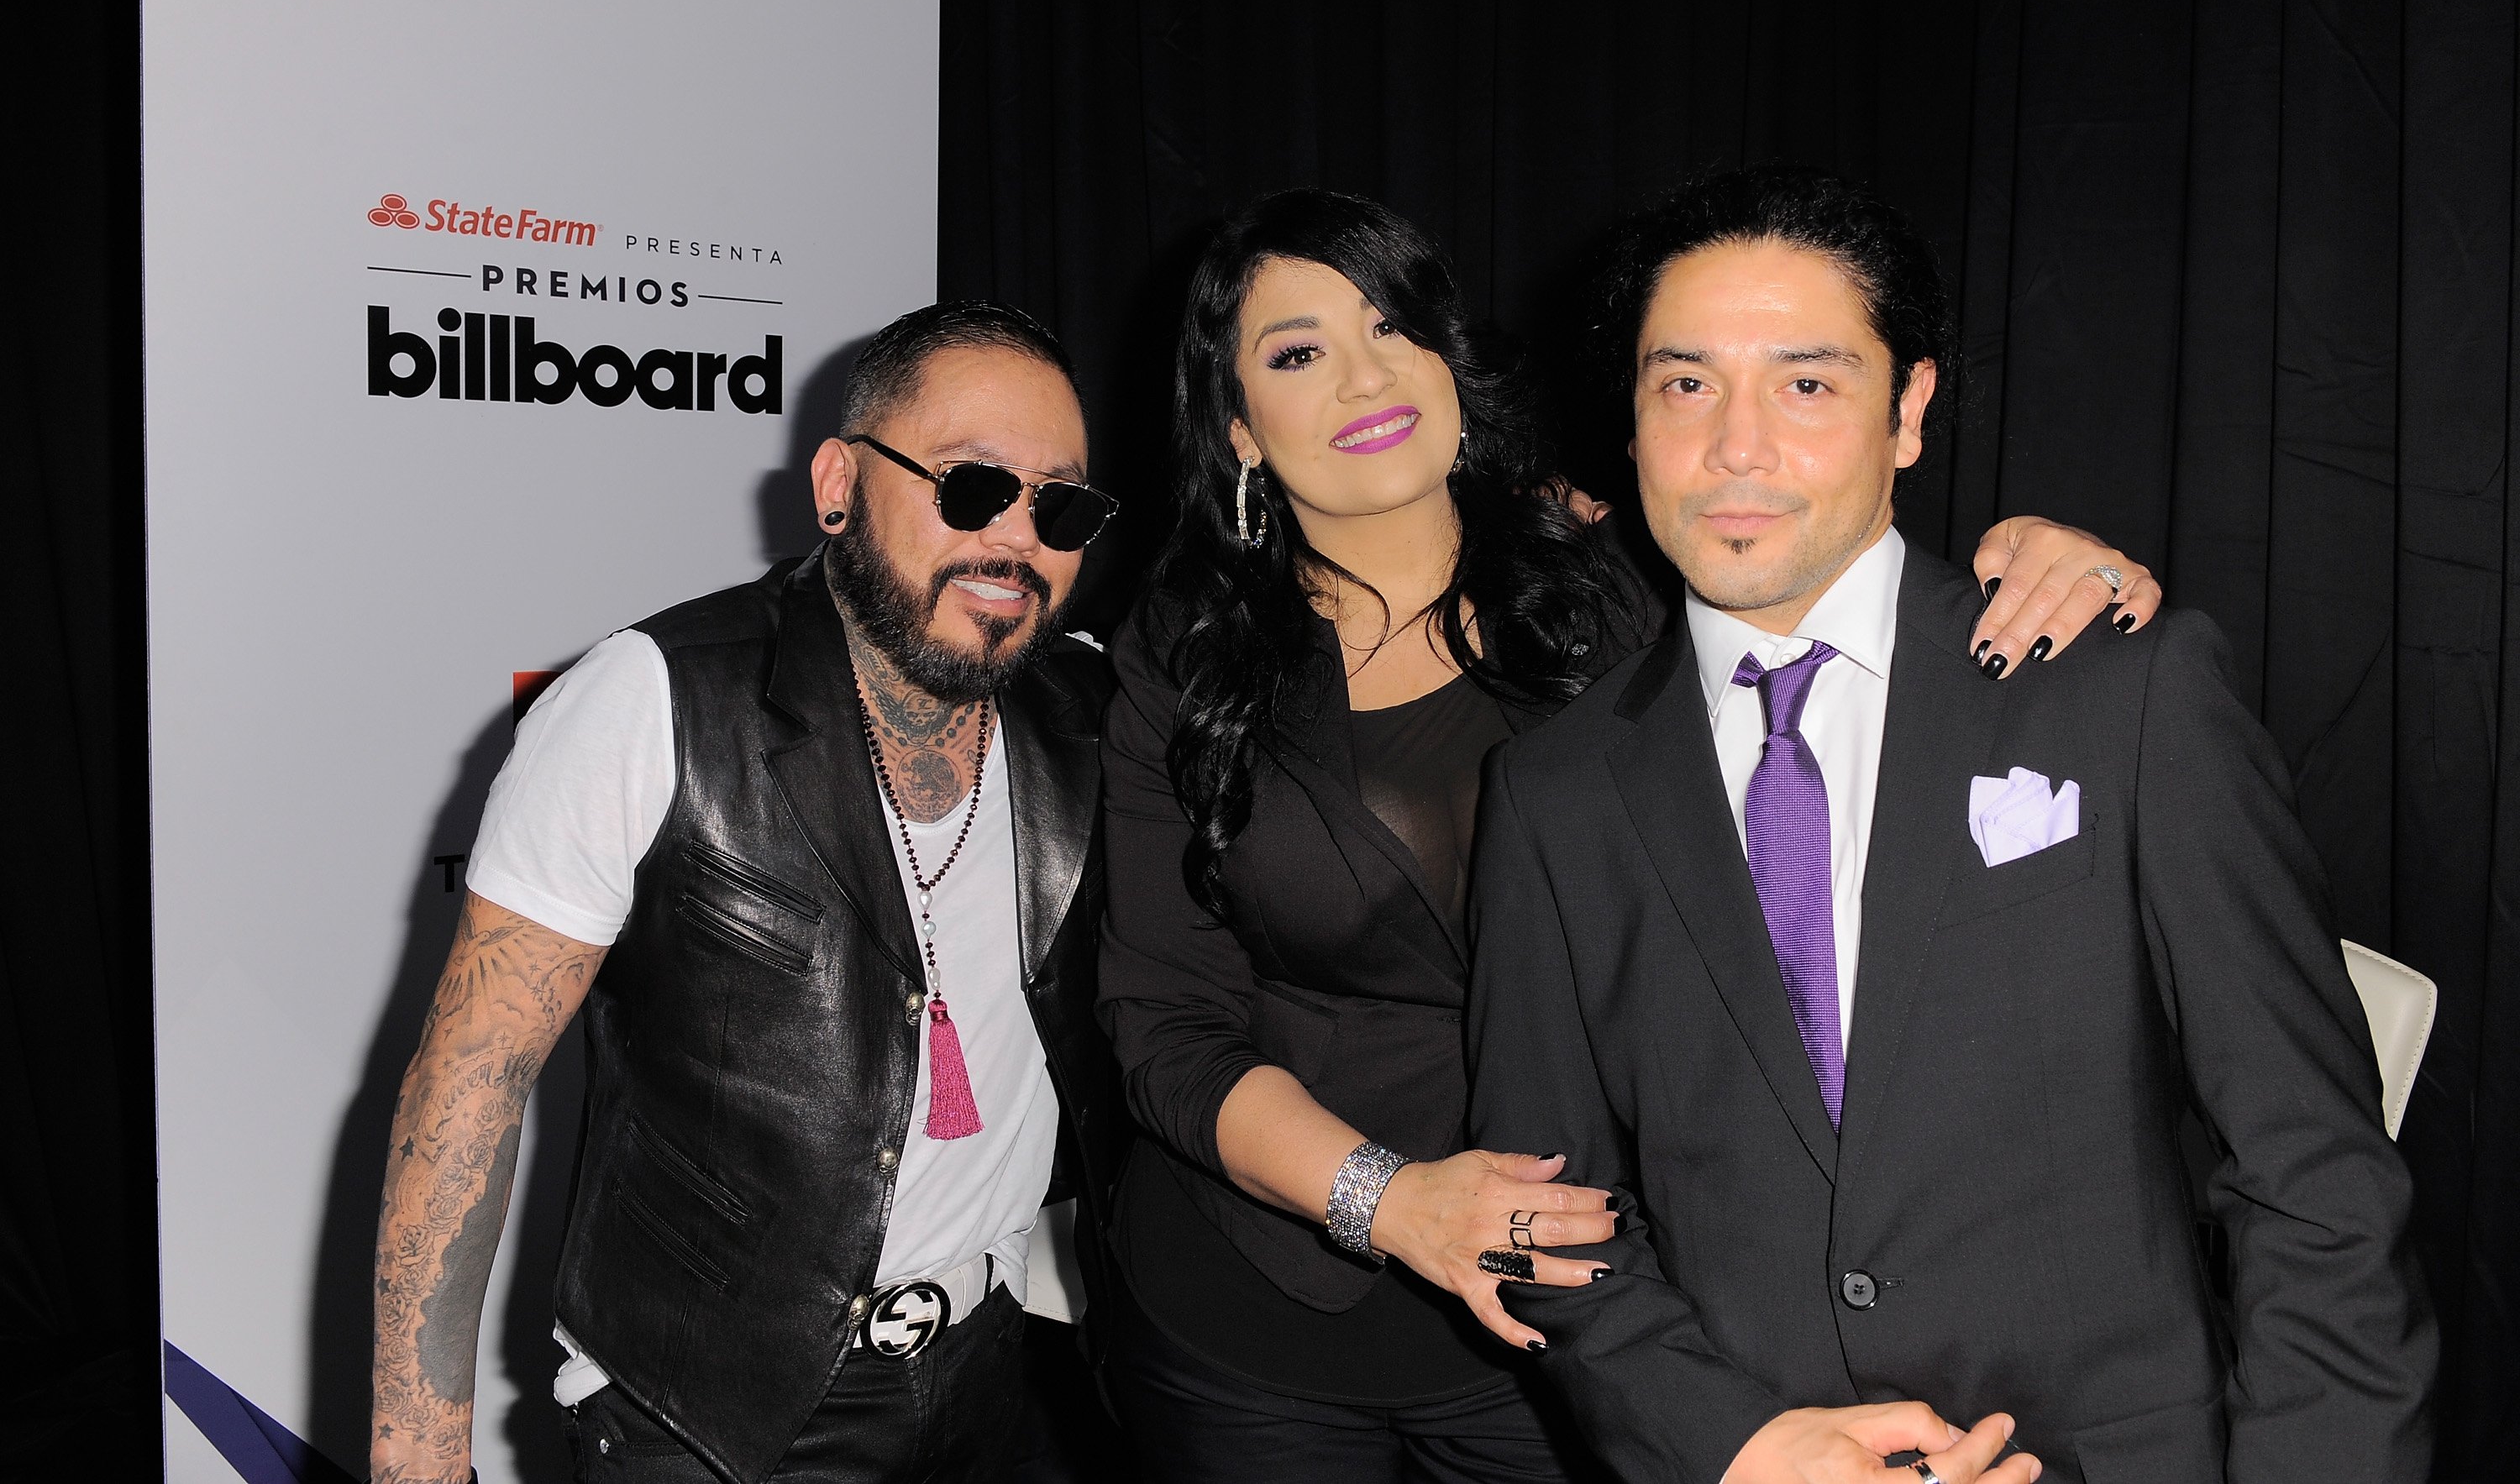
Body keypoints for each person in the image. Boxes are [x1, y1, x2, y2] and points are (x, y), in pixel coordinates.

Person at [1096, 187, 2160, 1483]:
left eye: (1393, 326)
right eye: (1297, 353)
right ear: (1236, 425)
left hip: (1602, 1312)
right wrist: (1394, 1202)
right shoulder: (1187, 653)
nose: (1363, 378)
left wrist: (2054, 556)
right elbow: (1163, 1024)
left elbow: (1859, 603)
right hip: (1264, 1307)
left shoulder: (1628, 576)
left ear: (1448, 354)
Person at [1463, 165, 2435, 1484]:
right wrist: (1737, 1446)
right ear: (1629, 419)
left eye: (1807, 383)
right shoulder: (1554, 795)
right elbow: (1545, 1221)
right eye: (1684, 383)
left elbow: (2313, 1175)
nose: (1735, 444)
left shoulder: (2118, 693)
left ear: (1908, 411)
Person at [367, 301, 1129, 1484]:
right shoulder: (652, 702)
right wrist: (418, 1462)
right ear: (838, 484)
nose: (1016, 540)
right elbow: (472, 1081)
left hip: (997, 1379)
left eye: (1061, 506)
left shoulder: (1083, 718)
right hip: (714, 1415)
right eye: (972, 486)